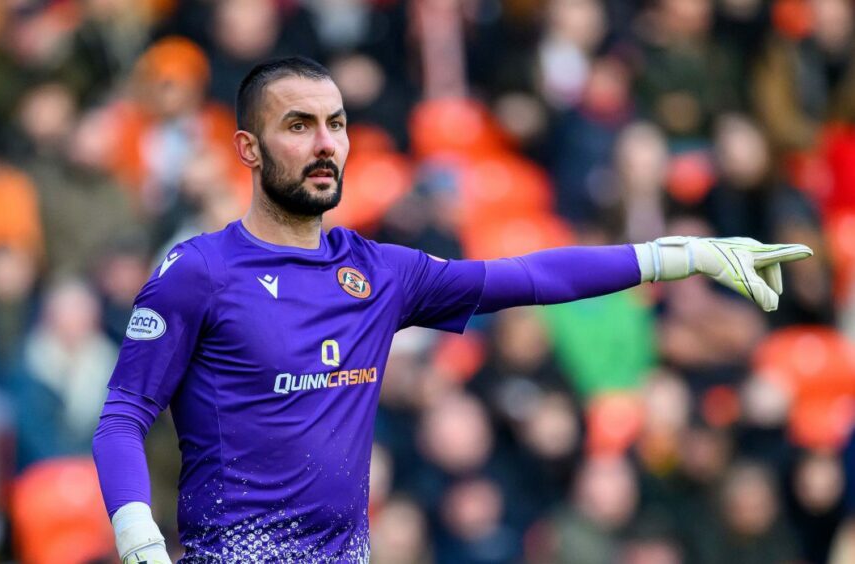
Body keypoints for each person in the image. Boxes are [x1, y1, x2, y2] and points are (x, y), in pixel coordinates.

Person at [92, 56, 813, 563]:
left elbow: (528, 276)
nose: (325, 144)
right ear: (247, 149)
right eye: (298, 125)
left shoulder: (377, 272)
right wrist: (138, 536)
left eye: (337, 125)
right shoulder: (200, 271)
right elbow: (123, 416)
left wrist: (674, 254)